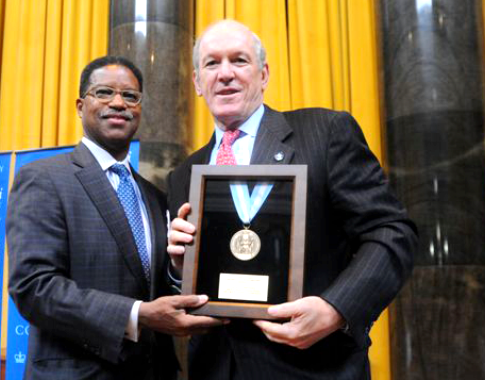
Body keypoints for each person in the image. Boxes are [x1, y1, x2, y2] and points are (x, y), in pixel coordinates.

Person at [167, 20, 417, 380]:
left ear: (264, 74)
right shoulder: (184, 174)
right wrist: (180, 268)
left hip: (312, 367)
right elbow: (187, 282)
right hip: (215, 367)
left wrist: (335, 308)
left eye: (239, 61)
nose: (225, 74)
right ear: (197, 83)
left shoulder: (324, 132)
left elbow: (393, 232)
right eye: (211, 63)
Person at [6, 56, 223, 380]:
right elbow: (33, 287)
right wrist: (137, 315)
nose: (118, 103)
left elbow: (155, 283)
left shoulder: (153, 194)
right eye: (104, 92)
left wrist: (178, 272)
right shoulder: (44, 178)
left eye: (131, 96)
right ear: (81, 106)